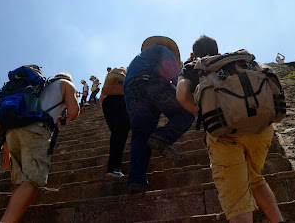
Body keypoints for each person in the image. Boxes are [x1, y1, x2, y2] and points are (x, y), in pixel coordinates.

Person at [176, 35, 284, 223]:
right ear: (216, 50)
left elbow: (182, 95)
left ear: (194, 54)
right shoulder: (238, 62)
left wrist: (207, 115)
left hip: (225, 135)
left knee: (236, 195)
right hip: (261, 128)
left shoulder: (194, 66)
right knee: (255, 178)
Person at [0, 73, 80, 223]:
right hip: (35, 131)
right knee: (32, 180)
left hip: (13, 131)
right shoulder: (66, 84)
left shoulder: (40, 86)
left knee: (21, 181)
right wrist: (65, 116)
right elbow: (74, 111)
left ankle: (10, 218)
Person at [124, 36, 195, 193]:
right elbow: (173, 72)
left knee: (140, 135)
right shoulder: (163, 50)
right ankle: (162, 136)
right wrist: (182, 91)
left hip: (131, 92)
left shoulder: (137, 59)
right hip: (151, 83)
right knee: (188, 112)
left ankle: (137, 180)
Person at [99, 67, 130, 178]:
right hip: (121, 100)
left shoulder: (109, 79)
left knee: (115, 134)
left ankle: (112, 167)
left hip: (107, 102)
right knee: (121, 135)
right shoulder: (125, 76)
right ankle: (114, 168)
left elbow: (101, 97)